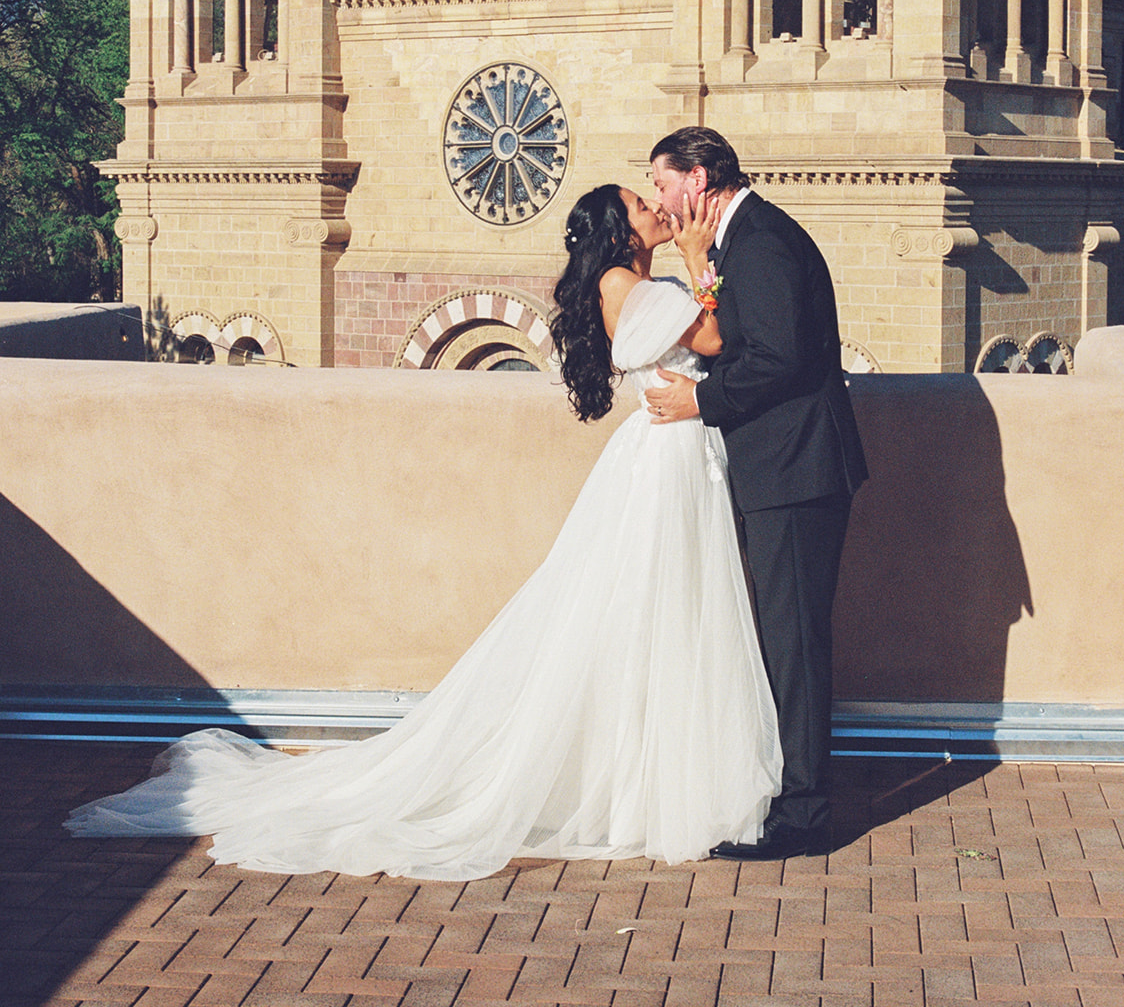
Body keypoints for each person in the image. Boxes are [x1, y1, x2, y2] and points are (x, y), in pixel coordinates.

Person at [65, 183, 780, 881]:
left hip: (671, 455)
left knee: (653, 617)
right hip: (668, 459)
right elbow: (713, 337)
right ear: (619, 233)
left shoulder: (628, 283)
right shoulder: (632, 286)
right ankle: (653, 788)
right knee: (661, 611)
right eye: (638, 204)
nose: (655, 207)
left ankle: (644, 782)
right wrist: (697, 258)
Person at [645, 128, 868, 860]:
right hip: (778, 468)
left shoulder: (765, 241)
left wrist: (698, 405)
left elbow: (778, 359)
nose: (658, 197)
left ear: (699, 178)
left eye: (663, 182)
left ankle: (802, 818)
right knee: (780, 639)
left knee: (794, 644)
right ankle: (784, 795)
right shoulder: (741, 239)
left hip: (795, 470)